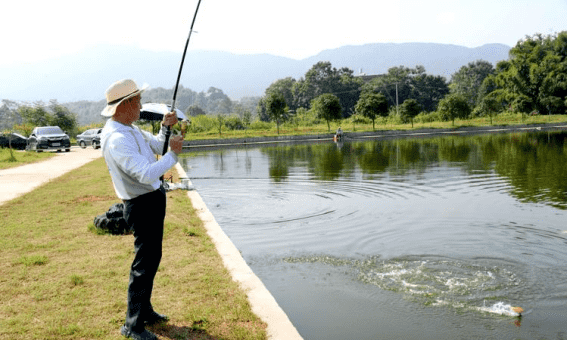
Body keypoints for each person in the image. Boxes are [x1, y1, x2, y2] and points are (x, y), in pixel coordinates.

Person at [100, 79, 184, 340]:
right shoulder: (117, 139)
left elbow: (158, 146)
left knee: (151, 260)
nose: (141, 105)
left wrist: (165, 128)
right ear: (124, 105)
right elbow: (147, 174)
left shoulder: (131, 129)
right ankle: (132, 326)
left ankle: (145, 311)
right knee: (142, 266)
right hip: (141, 205)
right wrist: (174, 156)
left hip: (152, 200)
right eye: (137, 101)